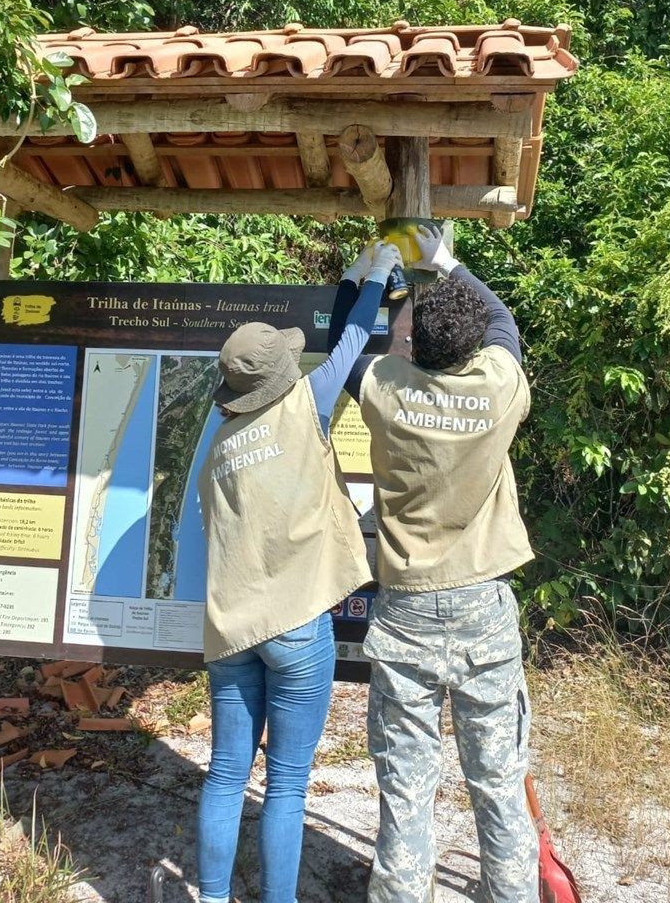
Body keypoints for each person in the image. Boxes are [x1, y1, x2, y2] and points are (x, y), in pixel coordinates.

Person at [329, 225, 537, 903]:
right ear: (471, 347)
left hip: (408, 610)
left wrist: (364, 271)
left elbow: (342, 341)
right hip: (483, 606)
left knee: (406, 788)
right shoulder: (499, 385)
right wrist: (447, 262)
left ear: (412, 346)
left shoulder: (388, 389)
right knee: (498, 783)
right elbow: (502, 320)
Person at [195, 240, 401, 903]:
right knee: (285, 785)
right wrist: (373, 276)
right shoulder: (307, 403)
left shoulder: (218, 444)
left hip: (232, 630)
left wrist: (351, 274)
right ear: (282, 374)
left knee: (225, 775)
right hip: (295, 627)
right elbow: (350, 340)